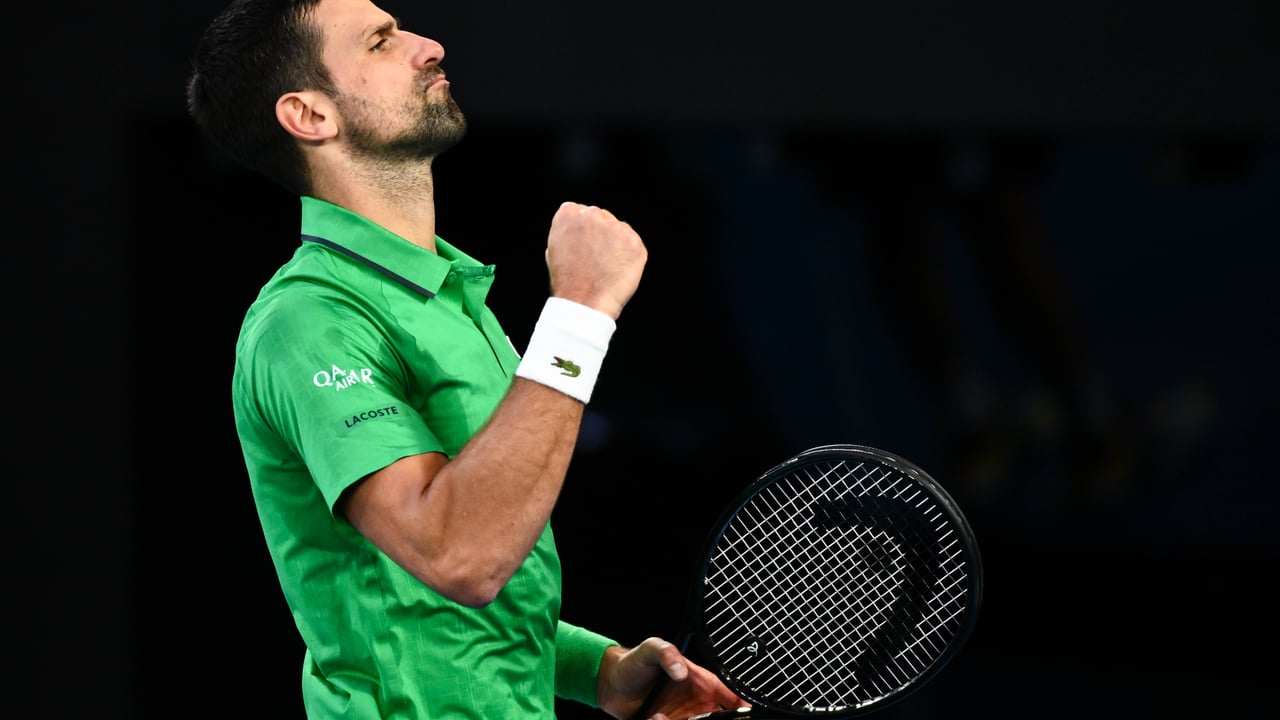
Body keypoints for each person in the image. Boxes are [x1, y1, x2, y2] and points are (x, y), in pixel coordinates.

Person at [185, 1, 747, 718]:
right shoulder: (309, 321)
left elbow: (431, 602)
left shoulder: (450, 299)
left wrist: (598, 671)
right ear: (310, 115)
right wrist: (580, 313)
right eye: (381, 42)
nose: (428, 46)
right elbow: (459, 556)